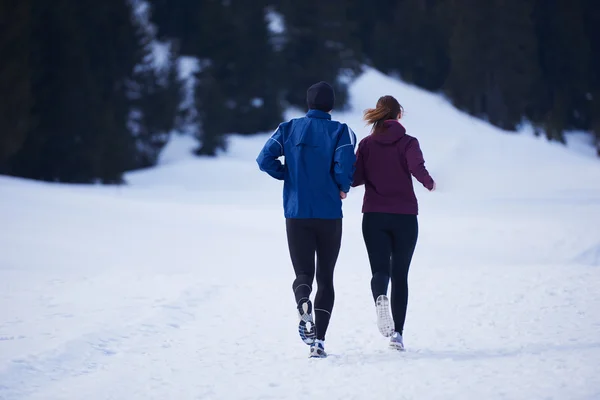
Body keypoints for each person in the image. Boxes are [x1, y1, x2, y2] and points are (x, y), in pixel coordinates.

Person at [256, 81, 356, 358]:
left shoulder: (288, 128)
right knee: (326, 278)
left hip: (296, 213)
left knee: (303, 274)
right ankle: (318, 343)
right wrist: (342, 186)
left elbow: (264, 159)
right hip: (329, 214)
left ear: (308, 103)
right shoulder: (341, 131)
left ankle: (302, 301)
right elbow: (345, 164)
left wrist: (287, 175)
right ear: (331, 106)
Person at [351, 95, 435, 351]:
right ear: (398, 115)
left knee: (380, 271)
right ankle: (396, 335)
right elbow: (416, 167)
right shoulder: (409, 142)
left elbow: (355, 179)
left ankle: (380, 297)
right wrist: (430, 183)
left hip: (374, 216)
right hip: (405, 217)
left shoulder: (366, 144)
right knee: (400, 275)